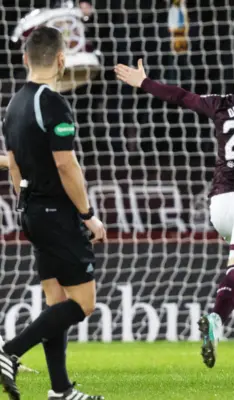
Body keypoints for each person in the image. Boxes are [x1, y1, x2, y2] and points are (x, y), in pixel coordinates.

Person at [114, 56, 234, 367]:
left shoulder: (221, 103)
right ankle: (216, 319)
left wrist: (145, 83)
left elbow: (180, 95)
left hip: (220, 202)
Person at [0, 26, 106, 400]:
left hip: (30, 211)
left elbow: (13, 167)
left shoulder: (12, 106)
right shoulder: (53, 103)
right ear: (62, 59)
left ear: (26, 57)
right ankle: (9, 351)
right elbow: (66, 166)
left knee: (56, 302)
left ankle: (60, 390)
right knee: (83, 303)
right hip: (56, 212)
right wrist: (88, 214)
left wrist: (26, 206)